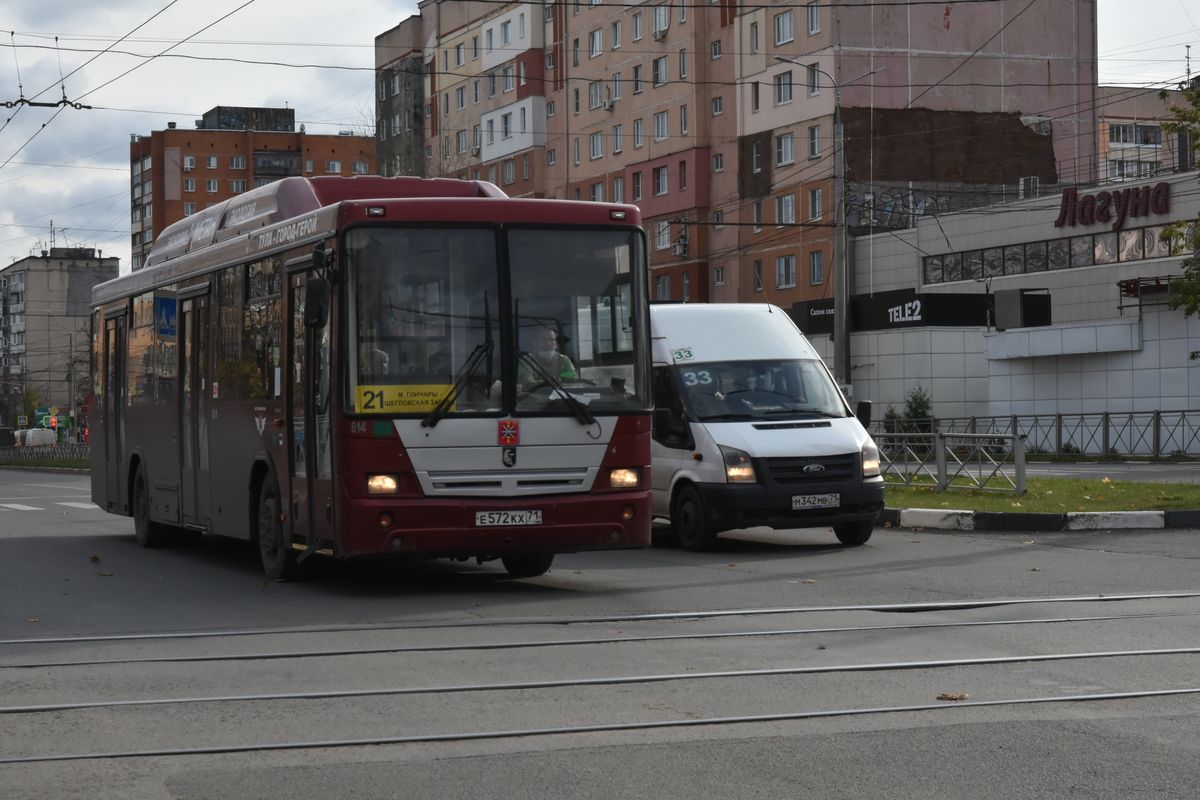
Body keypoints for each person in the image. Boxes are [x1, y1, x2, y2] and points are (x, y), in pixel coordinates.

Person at [517, 325, 576, 392]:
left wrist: (560, 377)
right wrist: (546, 383)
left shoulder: (563, 359)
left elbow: (572, 377)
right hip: (535, 397)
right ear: (535, 343)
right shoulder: (527, 360)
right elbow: (525, 384)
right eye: (543, 340)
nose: (548, 343)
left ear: (556, 343)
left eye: (551, 339)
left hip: (562, 396)